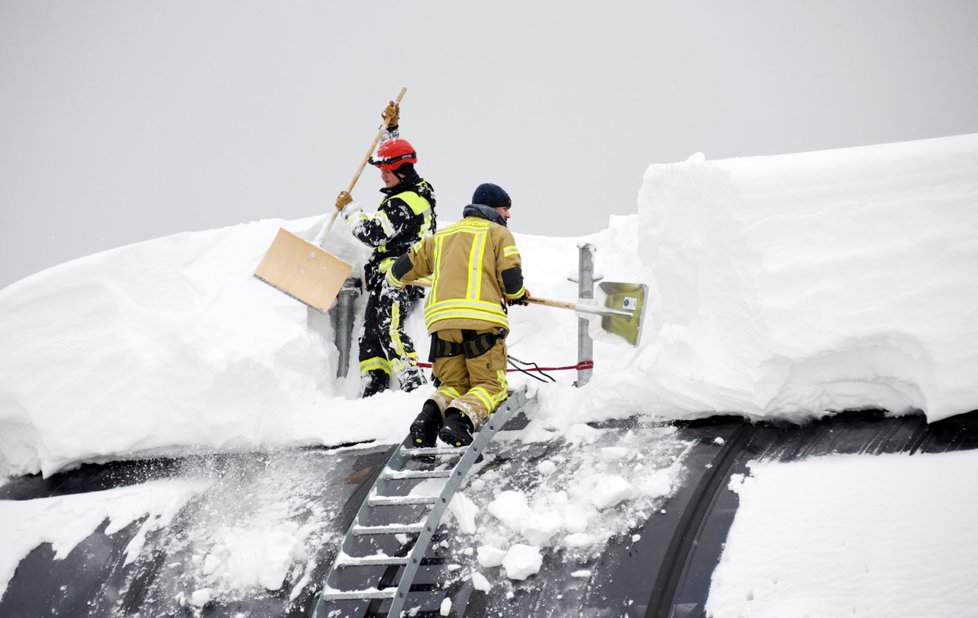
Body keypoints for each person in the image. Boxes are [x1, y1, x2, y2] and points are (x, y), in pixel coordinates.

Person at [386, 183, 530, 447]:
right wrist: (518, 293)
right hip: (482, 322)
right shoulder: (498, 233)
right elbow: (511, 277)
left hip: (441, 325)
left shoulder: (442, 236)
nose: (507, 215)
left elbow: (403, 266)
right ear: (491, 208)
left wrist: (393, 279)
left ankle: (428, 419)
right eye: (504, 209)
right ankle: (459, 420)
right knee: (490, 385)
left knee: (453, 383)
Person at [335, 101, 436, 397]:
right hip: (388, 277)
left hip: (400, 276)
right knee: (371, 334)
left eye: (387, 170)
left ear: (402, 171)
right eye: (381, 169)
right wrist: (391, 131)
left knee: (389, 327)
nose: (382, 175)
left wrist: (349, 209)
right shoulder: (417, 189)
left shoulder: (401, 204)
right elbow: (397, 156)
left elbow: (372, 233)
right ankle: (374, 384)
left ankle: (412, 382)